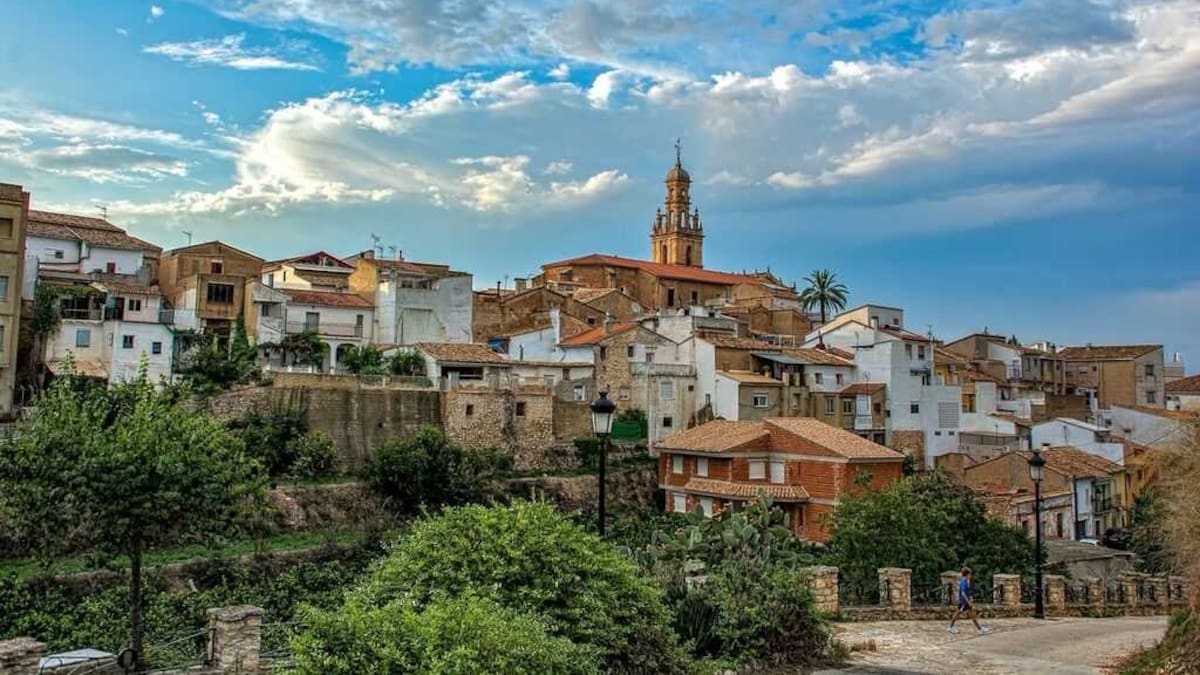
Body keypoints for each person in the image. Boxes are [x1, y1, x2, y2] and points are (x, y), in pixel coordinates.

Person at [948, 567, 989, 634]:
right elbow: (963, 593)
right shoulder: (963, 582)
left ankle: (980, 629)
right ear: (967, 574)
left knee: (970, 614)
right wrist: (968, 602)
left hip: (964, 602)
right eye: (970, 574)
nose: (971, 576)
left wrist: (970, 599)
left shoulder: (965, 581)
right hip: (964, 602)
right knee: (959, 613)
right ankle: (950, 627)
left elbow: (967, 592)